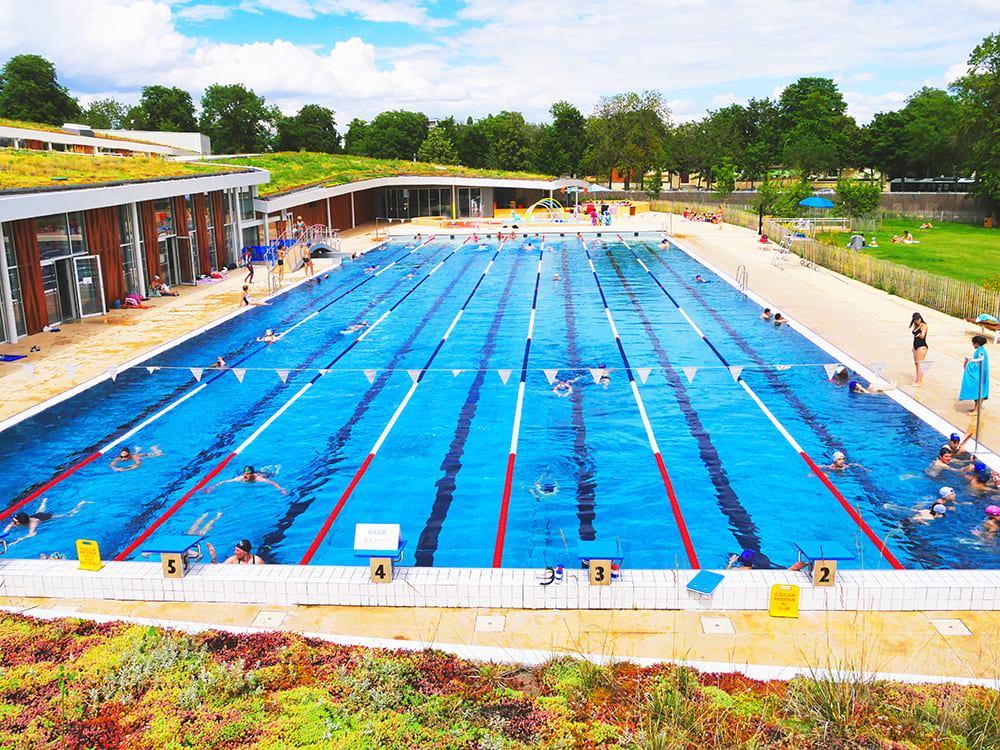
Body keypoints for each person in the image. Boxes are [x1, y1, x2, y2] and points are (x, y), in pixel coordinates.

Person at [2, 498, 89, 545]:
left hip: (44, 518)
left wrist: (20, 539)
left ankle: (81, 504)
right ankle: (44, 501)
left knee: (68, 515)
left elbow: (33, 533)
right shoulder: (17, 521)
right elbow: (8, 528)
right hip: (35, 516)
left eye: (15, 522)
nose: (12, 523)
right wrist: (2, 535)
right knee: (39, 512)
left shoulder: (33, 523)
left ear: (22, 522)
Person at [204, 465, 287, 494]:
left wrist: (281, 489)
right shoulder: (240, 478)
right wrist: (211, 487)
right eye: (244, 473)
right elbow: (223, 482)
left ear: (252, 474)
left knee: (272, 475)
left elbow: (273, 483)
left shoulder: (258, 479)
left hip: (263, 474)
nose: (245, 476)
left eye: (248, 474)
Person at [960, 335, 990, 415]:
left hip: (981, 374)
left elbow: (981, 359)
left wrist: (971, 360)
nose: (973, 345)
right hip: (980, 371)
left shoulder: (981, 351)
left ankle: (976, 410)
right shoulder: (979, 350)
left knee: (980, 391)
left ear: (977, 343)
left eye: (973, 343)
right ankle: (976, 408)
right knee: (977, 391)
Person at [909, 312, 928, 387]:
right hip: (916, 346)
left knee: (920, 364)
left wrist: (919, 335)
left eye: (918, 319)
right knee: (916, 364)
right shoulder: (916, 326)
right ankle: (917, 381)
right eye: (915, 319)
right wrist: (913, 348)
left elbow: (923, 335)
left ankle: (919, 382)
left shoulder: (924, 325)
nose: (917, 320)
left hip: (922, 346)